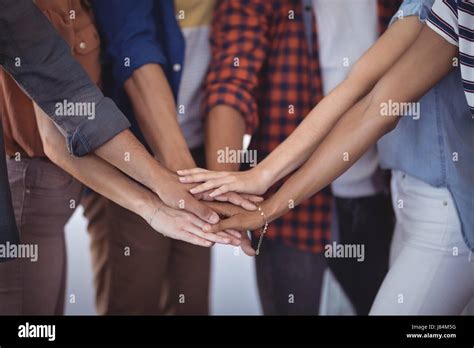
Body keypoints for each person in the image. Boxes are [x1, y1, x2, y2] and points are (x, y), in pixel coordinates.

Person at [181, 0, 474, 315]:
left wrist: (263, 192)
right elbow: (370, 102)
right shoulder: (443, 7)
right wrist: (258, 183)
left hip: (432, 206)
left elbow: (374, 106)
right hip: (391, 202)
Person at [0, 0, 245, 315]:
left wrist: (162, 199)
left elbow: (75, 104)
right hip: (30, 200)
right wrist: (158, 194)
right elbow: (58, 136)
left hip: (56, 204)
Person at [88, 0, 258, 315]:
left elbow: (232, 82)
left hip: (198, 156)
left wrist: (221, 187)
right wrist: (188, 181)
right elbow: (134, 50)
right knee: (133, 299)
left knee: (190, 298)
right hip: (131, 156)